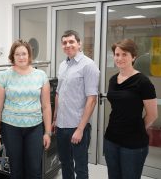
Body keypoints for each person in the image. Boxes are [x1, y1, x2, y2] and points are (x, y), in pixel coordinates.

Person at [0, 39, 52, 179]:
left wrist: (47, 132)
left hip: (35, 128)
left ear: (29, 55)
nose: (21, 57)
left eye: (24, 54)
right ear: (12, 57)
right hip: (11, 128)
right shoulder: (3, 77)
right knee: (16, 171)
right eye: (17, 54)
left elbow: (46, 106)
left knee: (34, 170)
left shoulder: (40, 76)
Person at [104, 39, 158, 179]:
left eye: (124, 54)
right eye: (117, 54)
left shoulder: (143, 82)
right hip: (111, 139)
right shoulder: (113, 79)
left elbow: (152, 115)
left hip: (133, 144)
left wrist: (136, 128)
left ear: (133, 57)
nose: (119, 58)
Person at [52, 30, 100, 179]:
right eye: (65, 42)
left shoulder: (89, 65)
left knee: (80, 167)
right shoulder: (62, 65)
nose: (68, 45)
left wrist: (80, 129)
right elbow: (58, 94)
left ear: (79, 44)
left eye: (71, 42)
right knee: (65, 163)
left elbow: (92, 99)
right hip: (61, 125)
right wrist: (55, 119)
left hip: (77, 126)